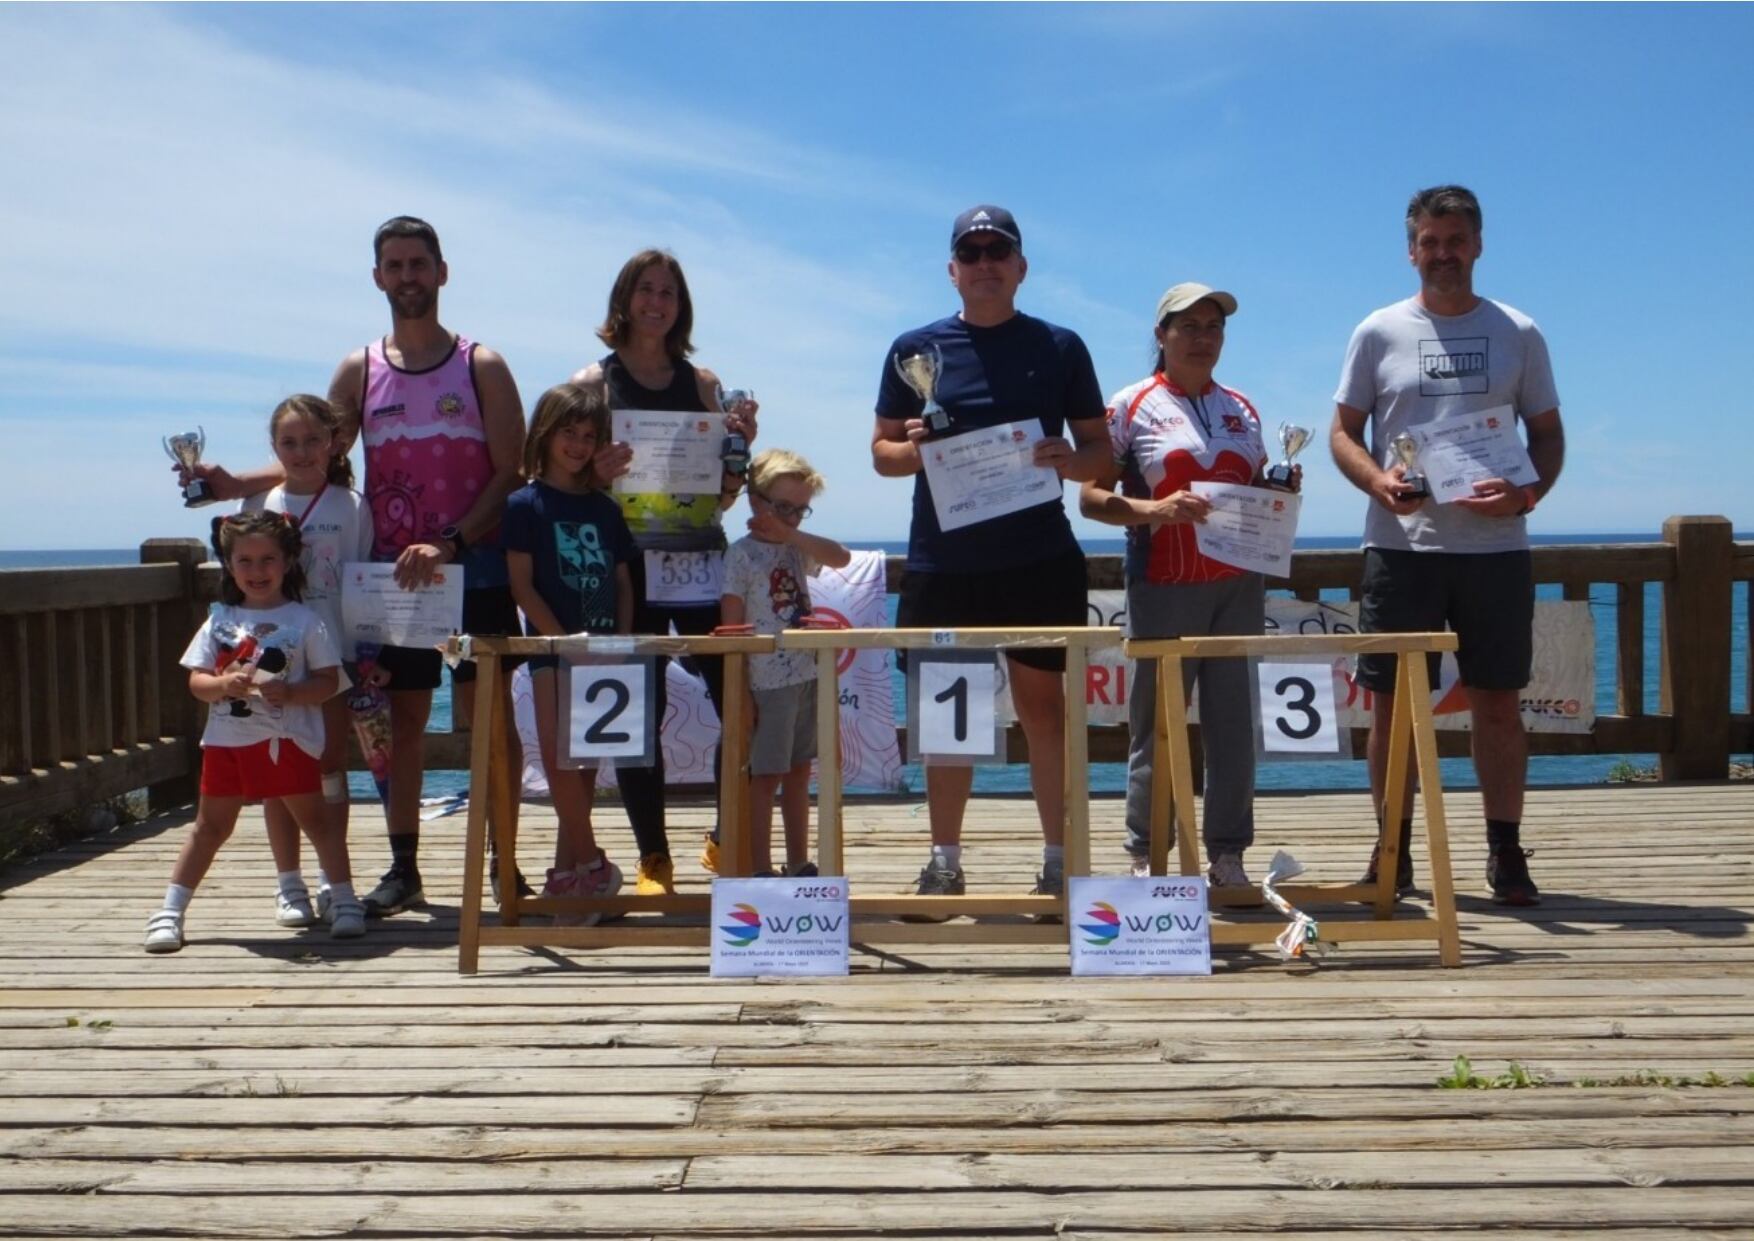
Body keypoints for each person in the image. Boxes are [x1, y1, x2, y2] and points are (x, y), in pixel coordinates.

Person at [185, 217, 528, 918]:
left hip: (477, 570)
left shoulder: (481, 364)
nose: (407, 277)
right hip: (389, 582)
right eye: (394, 265)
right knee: (403, 724)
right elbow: (313, 457)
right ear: (378, 278)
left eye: (418, 264)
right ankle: (405, 867)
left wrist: (455, 541)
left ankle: (503, 861)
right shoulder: (360, 368)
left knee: (490, 721)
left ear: (441, 272)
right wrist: (228, 486)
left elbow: (510, 470)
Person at [1329, 185, 1564, 907]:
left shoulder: (1517, 331)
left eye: (1455, 241)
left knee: (1497, 703)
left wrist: (1527, 495)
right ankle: (1392, 850)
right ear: (1411, 250)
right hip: (1402, 548)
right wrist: (1378, 480)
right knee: (1392, 708)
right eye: (1430, 242)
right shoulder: (1378, 330)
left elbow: (1548, 436)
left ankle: (1505, 849)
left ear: (1479, 244)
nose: (1443, 254)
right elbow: (1342, 431)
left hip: (1495, 549)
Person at [872, 205, 1110, 910]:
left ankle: (1059, 859)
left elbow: (1104, 454)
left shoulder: (1060, 345)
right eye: (970, 251)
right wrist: (915, 449)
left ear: (1020, 266)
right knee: (950, 721)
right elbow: (882, 455)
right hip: (945, 565)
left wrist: (1071, 462)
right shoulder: (913, 348)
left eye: (996, 250)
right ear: (952, 269)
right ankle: (944, 861)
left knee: (1046, 714)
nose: (984, 262)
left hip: (1038, 559)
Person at [1081, 283, 1297, 895]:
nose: (1203, 337)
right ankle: (1148, 852)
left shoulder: (1243, 408)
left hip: (1237, 584)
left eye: (1214, 326)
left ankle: (1228, 854)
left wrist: (1279, 493)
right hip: (1164, 583)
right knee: (1156, 727)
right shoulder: (1129, 405)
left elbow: (1254, 495)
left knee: (1233, 724)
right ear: (1161, 335)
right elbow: (1092, 500)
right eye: (1189, 326)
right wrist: (1154, 511)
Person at [571, 250, 759, 895]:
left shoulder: (705, 383)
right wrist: (595, 473)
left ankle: (724, 837)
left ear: (681, 307)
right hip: (626, 569)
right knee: (634, 718)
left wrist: (740, 455)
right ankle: (654, 860)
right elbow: (564, 478)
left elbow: (728, 493)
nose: (657, 302)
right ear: (623, 300)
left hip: (703, 561)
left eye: (669, 293)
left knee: (741, 706)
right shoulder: (592, 383)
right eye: (646, 290)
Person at [144, 511, 366, 952]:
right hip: (227, 744)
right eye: (244, 561)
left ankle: (342, 899)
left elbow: (329, 681)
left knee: (318, 824)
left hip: (288, 743)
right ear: (229, 565)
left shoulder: (306, 621)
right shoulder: (219, 619)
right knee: (209, 827)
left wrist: (293, 693)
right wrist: (224, 685)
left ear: (288, 562)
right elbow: (197, 683)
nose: (256, 570)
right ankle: (169, 911)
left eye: (268, 559)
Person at [238, 395, 374, 927]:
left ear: (334, 443)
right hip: (274, 659)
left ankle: (331, 878)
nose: (301, 451)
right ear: (274, 448)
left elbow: (362, 579)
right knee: (279, 771)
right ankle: (287, 883)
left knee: (330, 767)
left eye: (312, 440)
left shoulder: (352, 505)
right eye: (289, 442)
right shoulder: (259, 505)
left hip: (332, 656)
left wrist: (366, 650)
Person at [504, 382, 635, 924]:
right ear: (545, 434)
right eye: (569, 433)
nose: (579, 445)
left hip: (606, 649)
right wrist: (561, 641)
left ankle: (568, 884)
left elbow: (624, 579)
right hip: (553, 651)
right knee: (561, 759)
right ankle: (594, 864)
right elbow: (522, 585)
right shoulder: (524, 503)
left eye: (588, 436)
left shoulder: (606, 507)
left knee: (586, 766)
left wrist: (619, 642)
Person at [718, 449, 851, 877]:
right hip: (767, 682)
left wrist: (790, 533)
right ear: (755, 501)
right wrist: (740, 691)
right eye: (781, 507)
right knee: (765, 777)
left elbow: (840, 557)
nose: (791, 518)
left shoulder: (797, 548)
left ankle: (798, 861)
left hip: (806, 674)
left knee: (798, 773)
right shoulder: (740, 555)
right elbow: (732, 628)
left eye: (799, 510)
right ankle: (758, 867)